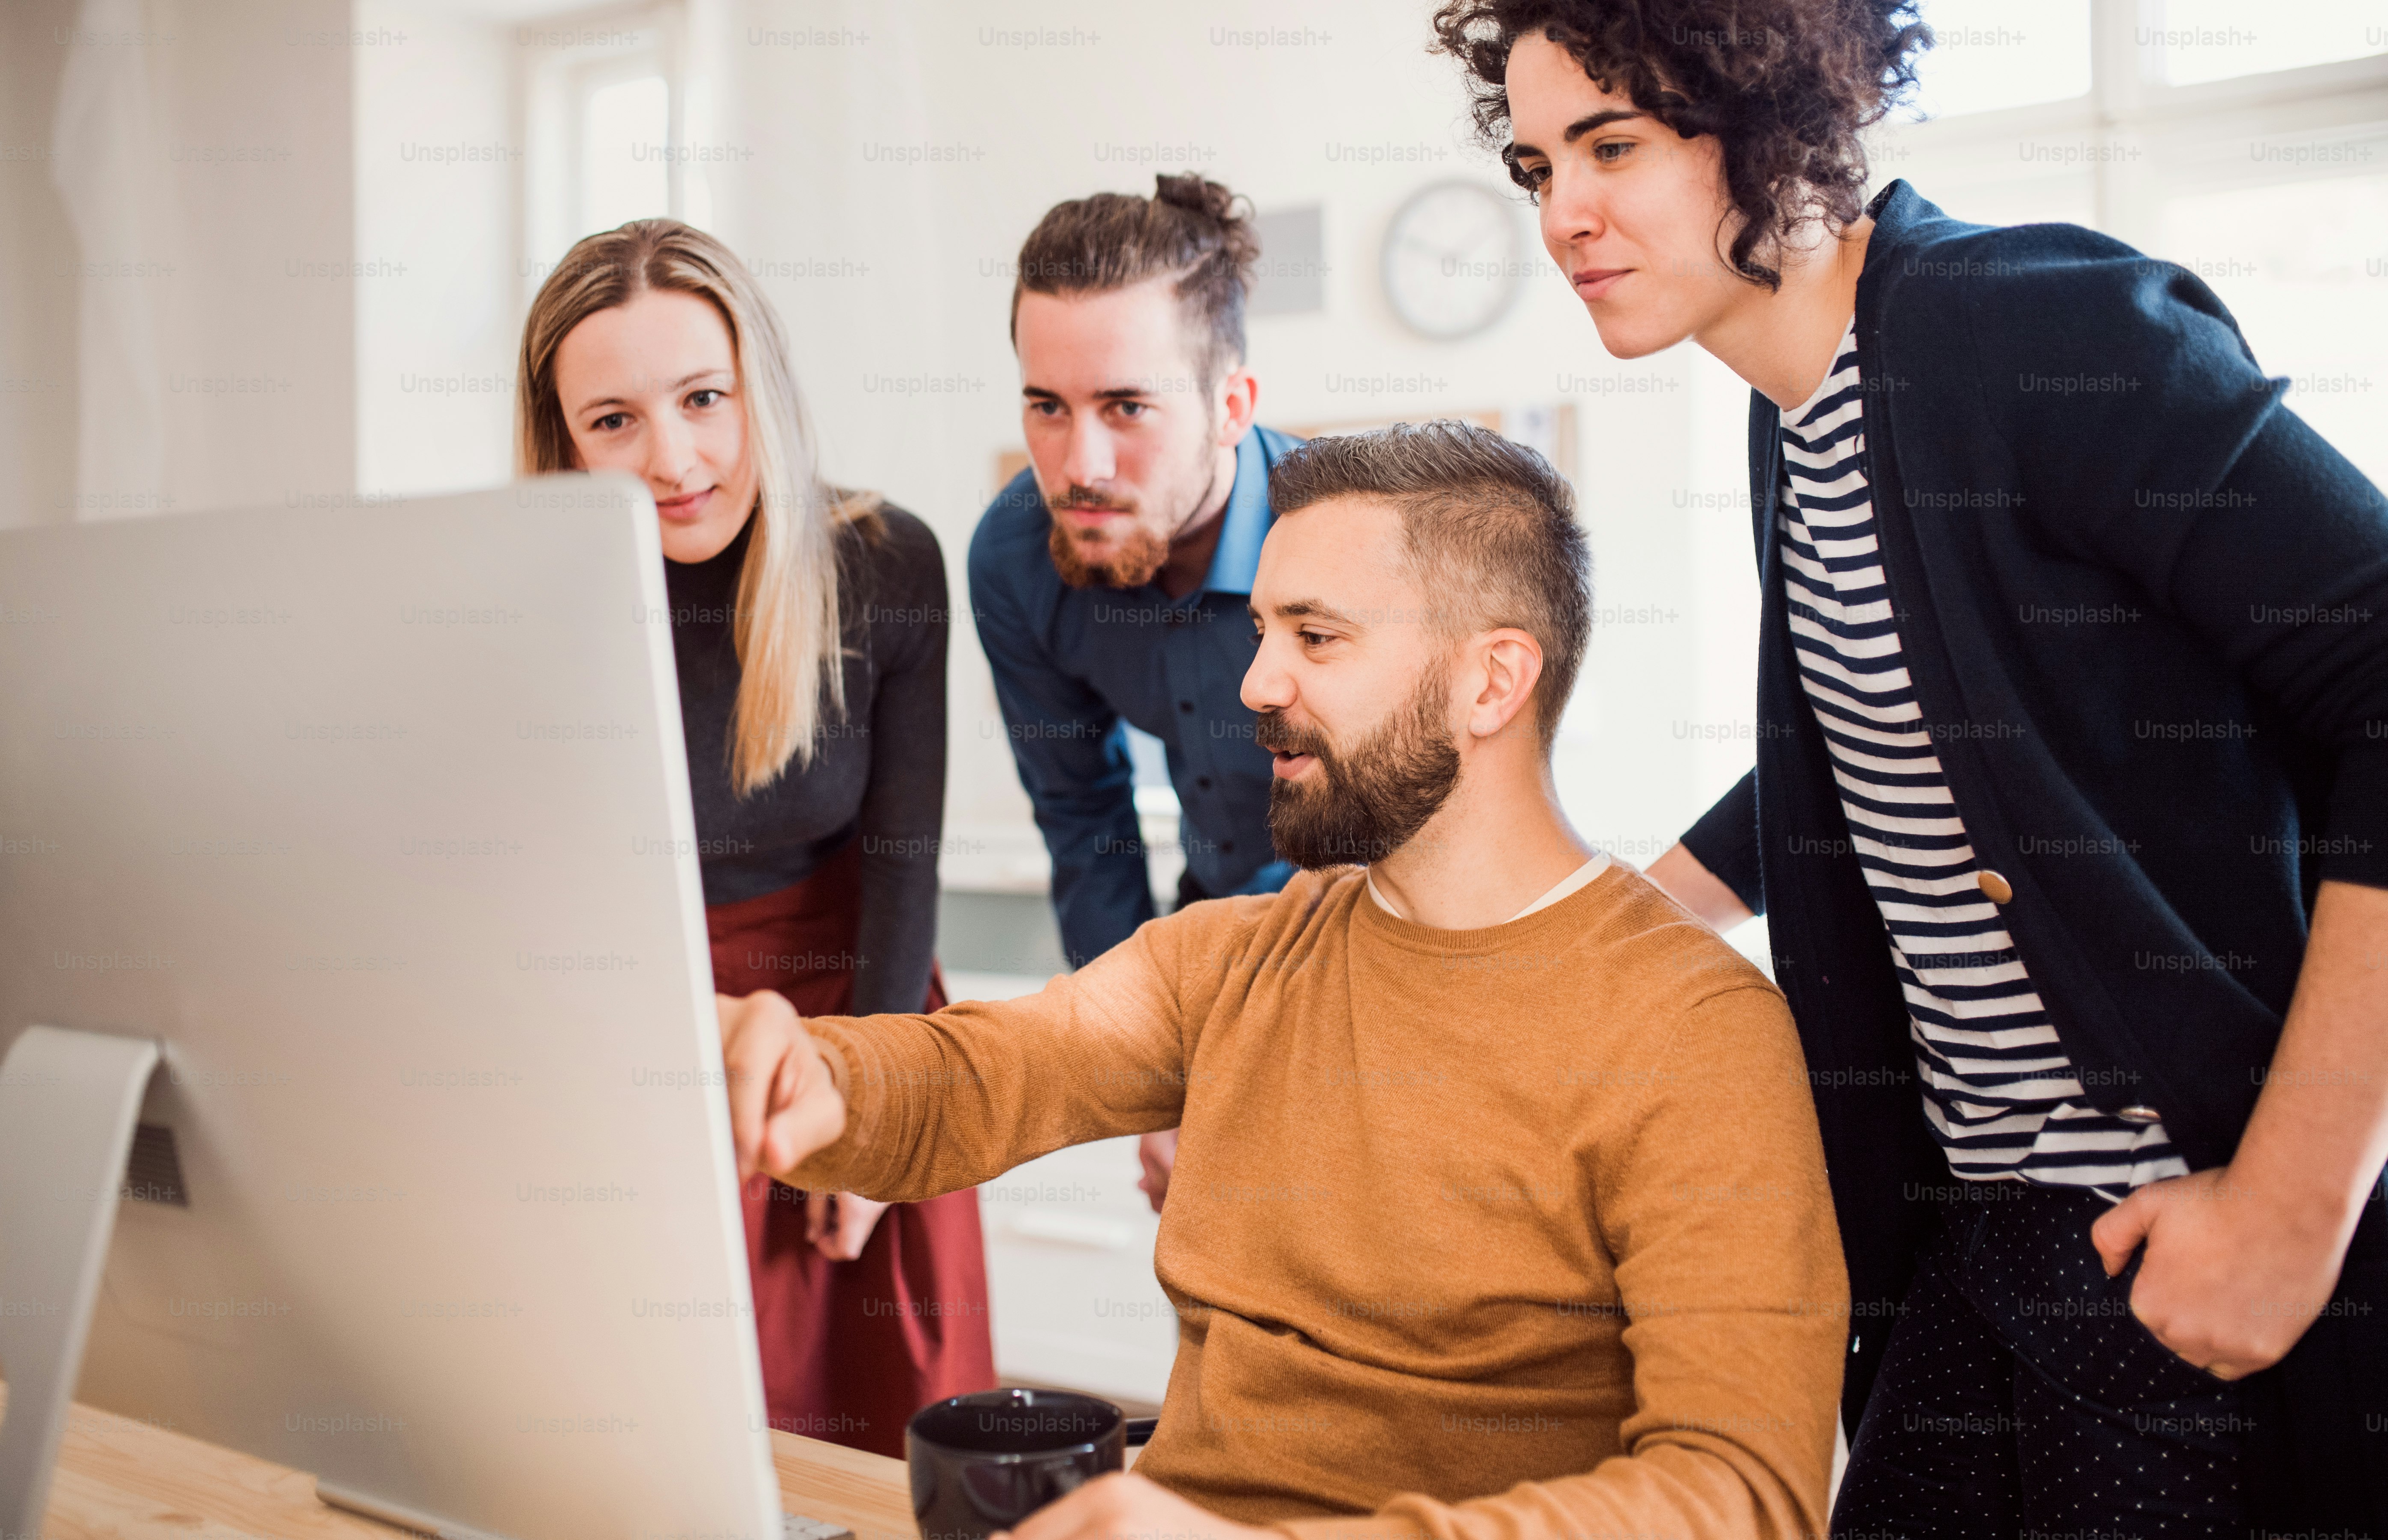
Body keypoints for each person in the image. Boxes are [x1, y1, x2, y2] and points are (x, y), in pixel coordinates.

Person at [1431, 1, 2388, 1528]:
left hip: (2164, 1229)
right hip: (1977, 1239)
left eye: (1610, 146)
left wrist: (2284, 1210)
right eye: (1534, 163)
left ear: (1768, 117)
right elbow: (1892, 741)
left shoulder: (2028, 328)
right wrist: (1602, 934)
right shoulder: (1797, 411)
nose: (1562, 215)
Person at [721, 422, 1851, 1540]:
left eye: (1317, 638)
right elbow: (981, 1076)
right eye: (1263, 630)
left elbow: (1739, 1499)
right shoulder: (1238, 957)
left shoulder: (1698, 1032)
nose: (1257, 681)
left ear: (1491, 680)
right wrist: (815, 1077)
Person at [514, 218, 993, 1458]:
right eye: (614, 420)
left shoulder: (886, 562)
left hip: (861, 1018)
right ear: (563, 442)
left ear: (757, 389)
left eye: (703, 398)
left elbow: (902, 867)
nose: (674, 458)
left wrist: (873, 1116)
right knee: (660, 1438)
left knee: (884, 1429)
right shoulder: (524, 602)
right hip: (646, 1035)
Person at [968, 175, 1304, 1210]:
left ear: (1231, 406)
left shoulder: (1345, 536)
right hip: (1203, 942)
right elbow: (1084, 819)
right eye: (1047, 408)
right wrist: (1147, 1067)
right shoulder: (1019, 555)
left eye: (1127, 407)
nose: (1082, 465)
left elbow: (1407, 840)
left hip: (1366, 935)